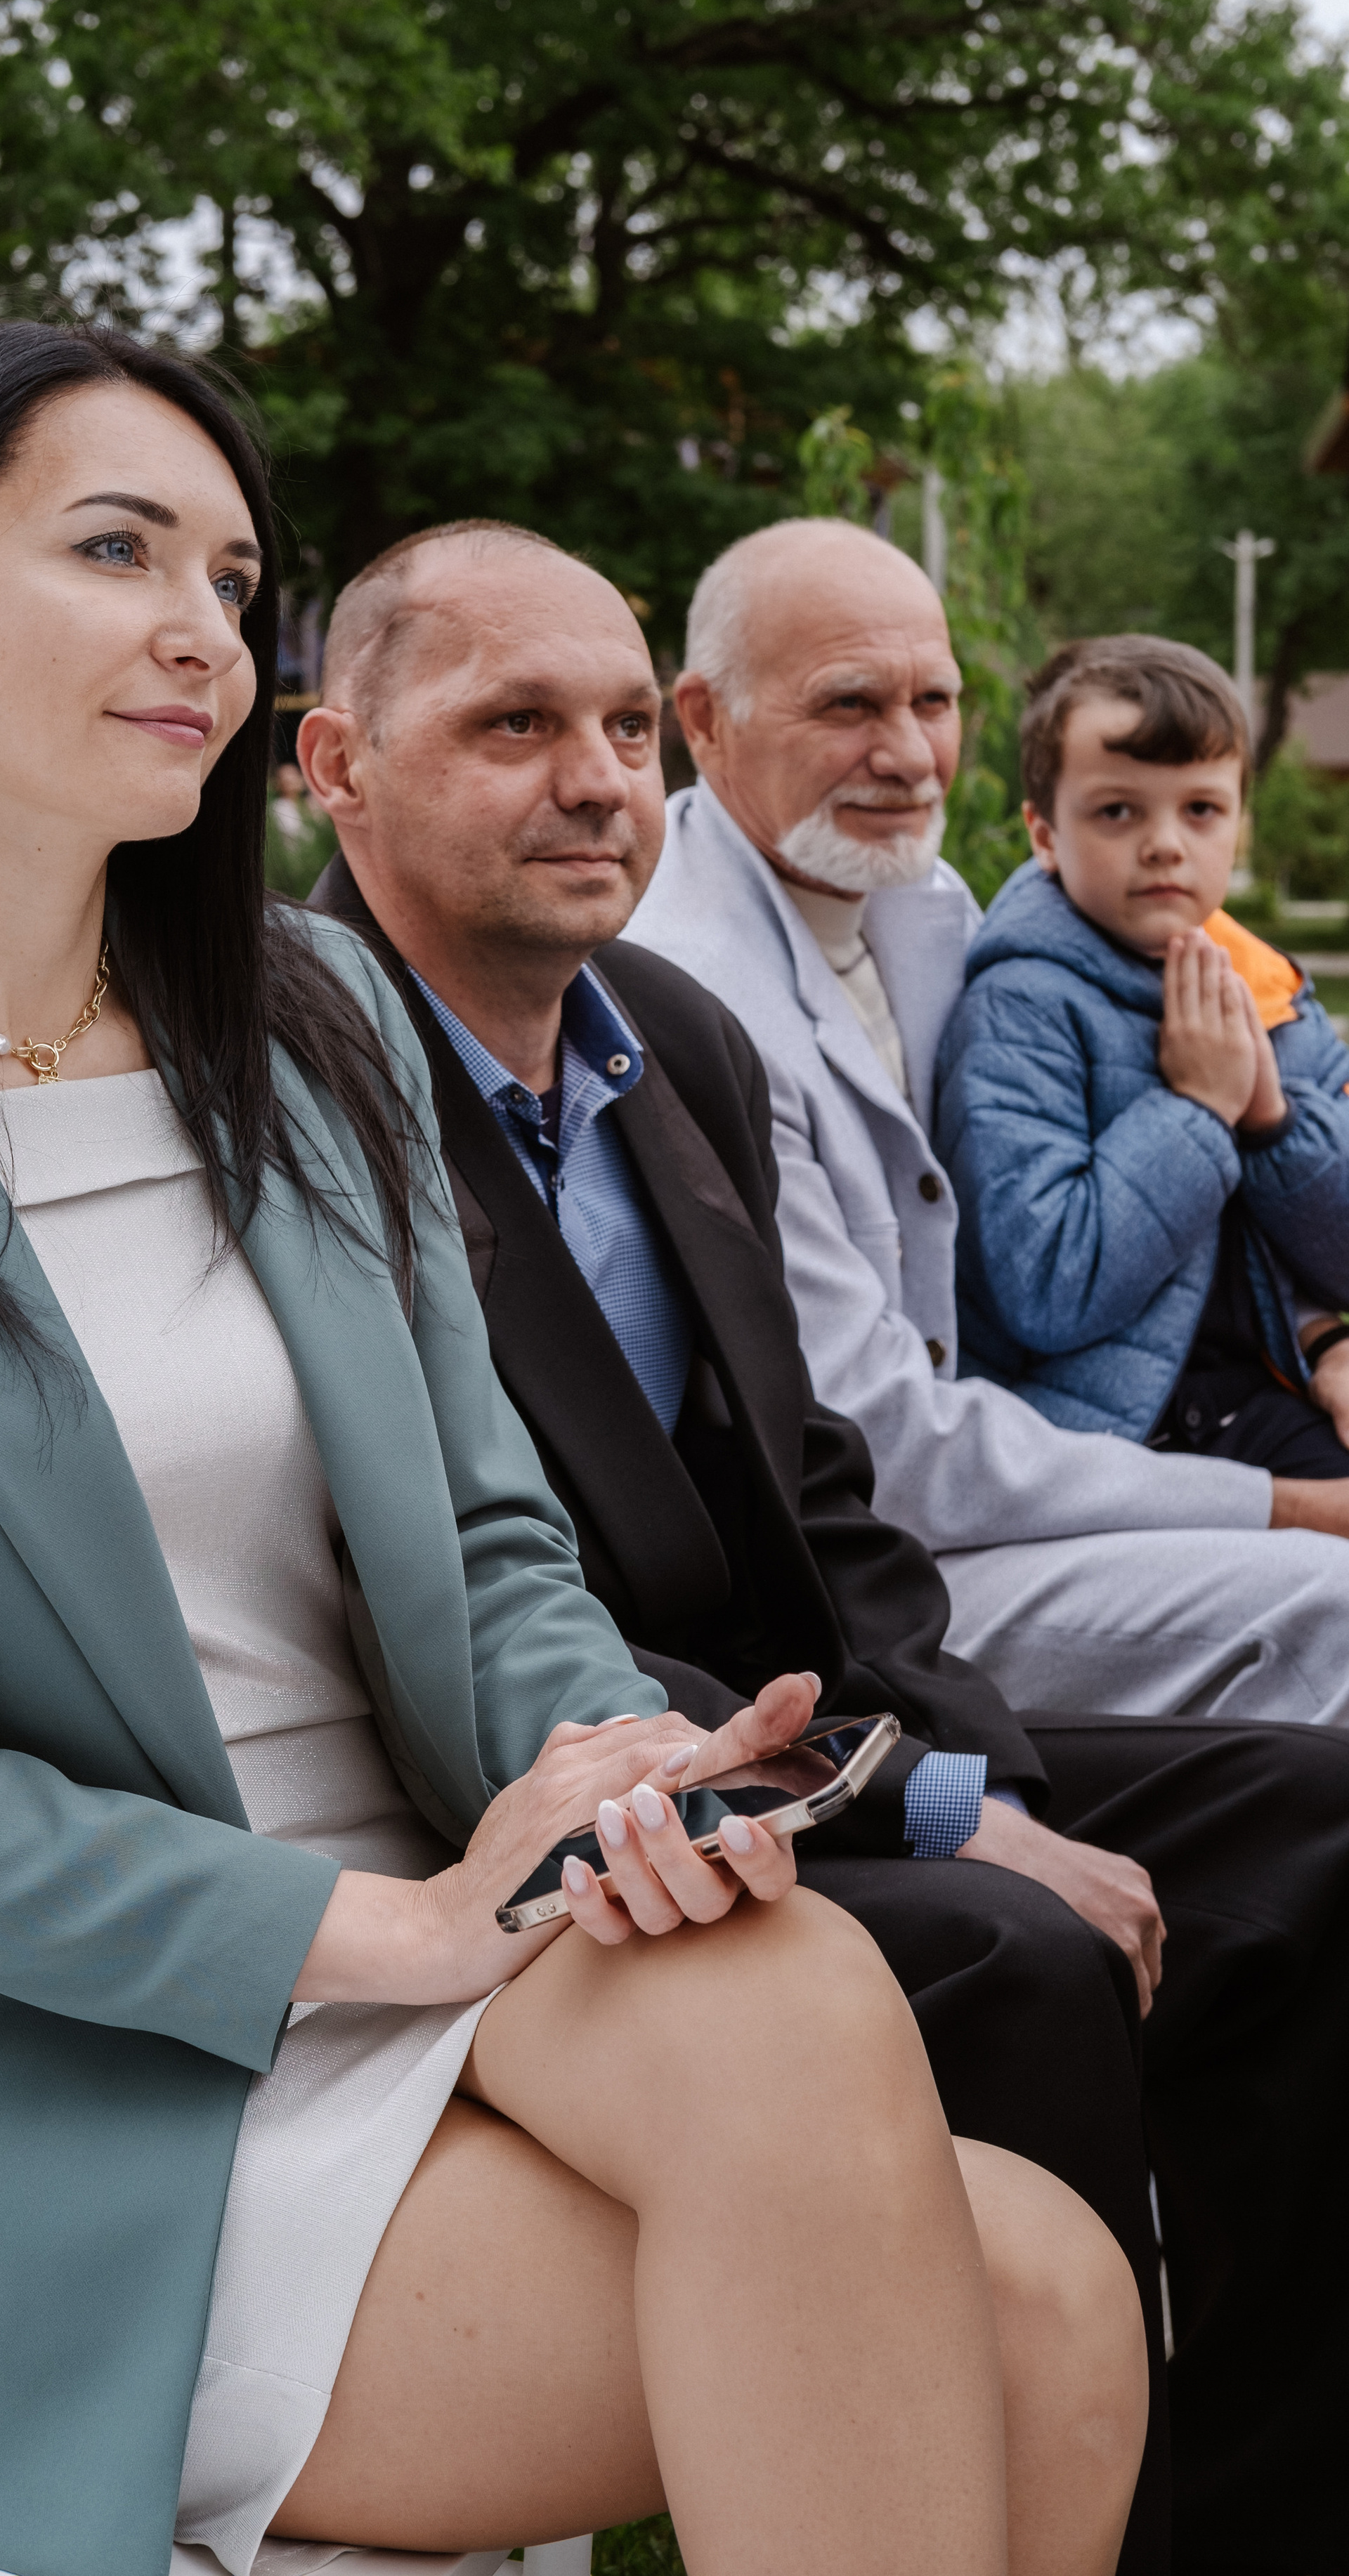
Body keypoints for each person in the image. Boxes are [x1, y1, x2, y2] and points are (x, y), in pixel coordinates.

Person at [0, 324, 1143, 2576]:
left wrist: (610, 1769)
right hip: (76, 2094)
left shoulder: (299, 1041)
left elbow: (493, 1539)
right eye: (117, 549)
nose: (199, 620)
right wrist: (371, 1922)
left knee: (958, 2169)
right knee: (1029, 2307)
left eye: (229, 571)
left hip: (469, 1906)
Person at [294, 514, 1349, 2576]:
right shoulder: (291, 1082)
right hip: (565, 1773)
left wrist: (983, 1766)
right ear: (335, 767)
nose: (596, 778)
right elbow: (449, 1599)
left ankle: (1245, 2508)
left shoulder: (669, 1038)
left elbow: (819, 1486)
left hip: (817, 1713)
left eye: (615, 727)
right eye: (515, 722)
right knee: (1029, 1944)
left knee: (1316, 1825)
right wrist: (954, 1819)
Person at [625, 514, 1349, 1729]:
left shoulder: (931, 909)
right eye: (849, 705)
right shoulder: (692, 1007)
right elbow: (880, 1445)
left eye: (935, 700)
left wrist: (1325, 1331)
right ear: (704, 721)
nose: (909, 755)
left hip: (1049, 1464)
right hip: (863, 1577)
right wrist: (1275, 1501)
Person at [935, 634, 1349, 1473]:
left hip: (1270, 1388)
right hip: (1126, 1435)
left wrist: (1271, 1120)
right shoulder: (1021, 1005)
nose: (1165, 844)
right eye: (1118, 811)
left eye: (1199, 809)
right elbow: (1044, 1287)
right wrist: (1196, 1109)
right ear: (1043, 834)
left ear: (1239, 821)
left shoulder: (1266, 989)